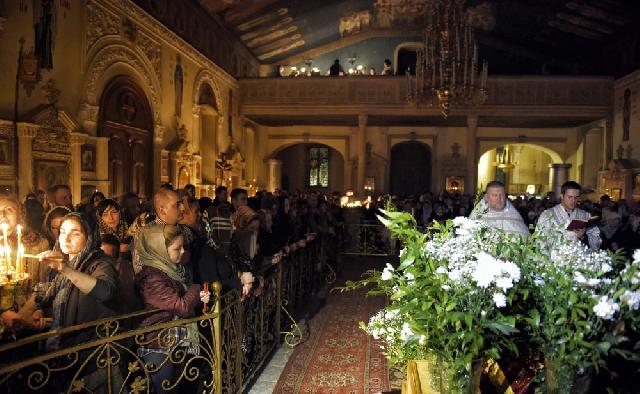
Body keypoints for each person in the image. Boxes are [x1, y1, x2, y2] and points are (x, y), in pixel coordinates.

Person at [20, 213, 119, 350]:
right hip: (60, 347)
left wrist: (65, 269)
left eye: (75, 233)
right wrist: (39, 311)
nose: (66, 238)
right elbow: (47, 295)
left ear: (89, 237)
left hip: (90, 351)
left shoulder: (100, 263)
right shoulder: (57, 263)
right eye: (62, 232)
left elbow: (105, 292)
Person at [135, 224, 209, 393]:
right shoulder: (152, 277)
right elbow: (181, 306)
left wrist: (196, 297)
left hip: (173, 341)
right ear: (159, 250)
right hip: (158, 345)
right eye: (177, 248)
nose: (183, 252)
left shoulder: (172, 269)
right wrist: (196, 289)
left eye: (183, 247)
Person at [536, 181, 601, 250]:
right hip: (556, 257)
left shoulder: (585, 215)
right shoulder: (547, 215)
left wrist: (583, 236)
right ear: (562, 196)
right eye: (570, 197)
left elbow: (596, 240)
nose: (573, 201)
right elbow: (540, 240)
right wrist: (571, 236)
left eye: (576, 197)